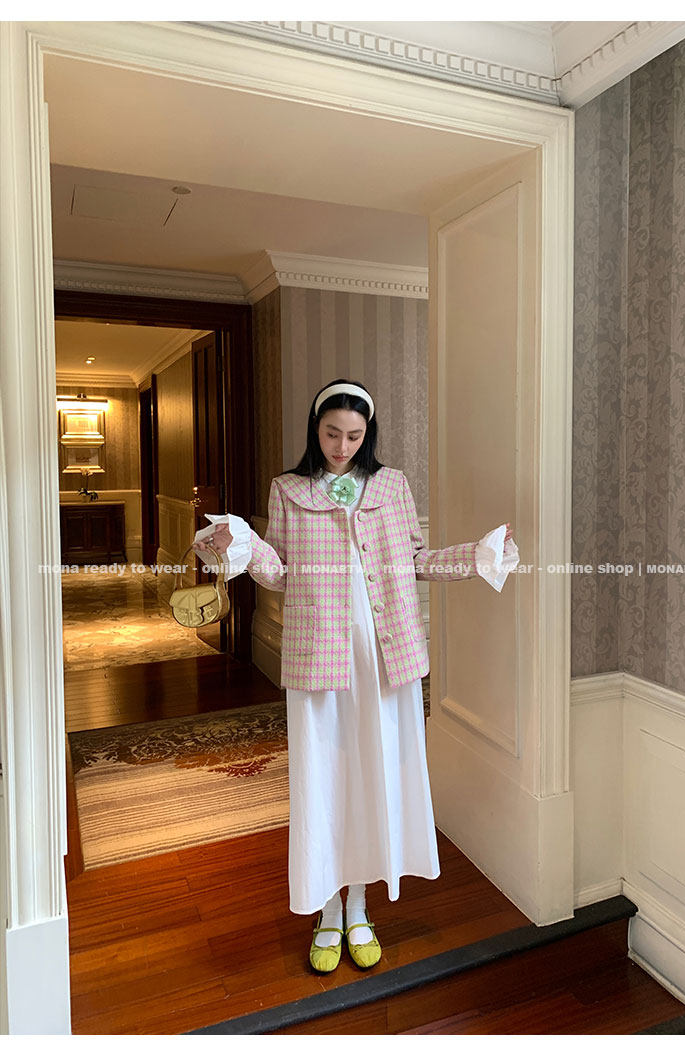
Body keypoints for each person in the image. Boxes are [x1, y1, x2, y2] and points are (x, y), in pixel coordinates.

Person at [192, 378, 518, 974]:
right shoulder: (289, 489)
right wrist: (240, 542)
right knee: (323, 779)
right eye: (331, 434)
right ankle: (326, 910)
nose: (342, 446)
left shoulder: (391, 486)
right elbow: (280, 572)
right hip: (318, 656)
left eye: (353, 435)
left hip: (386, 660)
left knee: (377, 775)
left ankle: (361, 904)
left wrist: (476, 555)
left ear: (368, 434)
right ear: (314, 431)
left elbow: (415, 560)